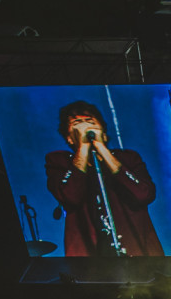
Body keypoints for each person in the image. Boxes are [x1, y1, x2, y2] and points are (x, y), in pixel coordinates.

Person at [44, 99, 164, 257]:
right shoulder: (59, 162)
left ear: (104, 133)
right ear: (69, 138)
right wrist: (83, 147)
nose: (85, 127)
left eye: (90, 121)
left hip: (137, 254)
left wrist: (101, 148)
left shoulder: (128, 158)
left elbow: (143, 194)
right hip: (91, 259)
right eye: (77, 123)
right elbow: (70, 197)